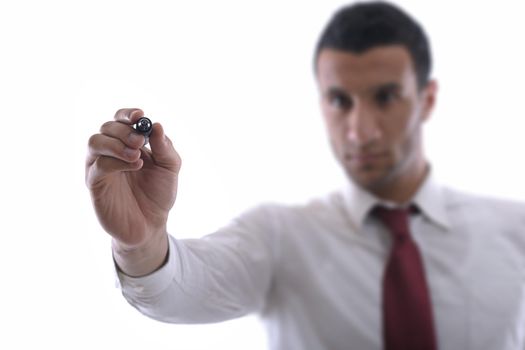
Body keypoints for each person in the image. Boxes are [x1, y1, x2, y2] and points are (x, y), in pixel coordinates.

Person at [85, 2, 525, 350]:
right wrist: (140, 242)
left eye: (386, 97)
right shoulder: (281, 238)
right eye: (339, 100)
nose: (359, 129)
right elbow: (176, 292)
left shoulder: (515, 233)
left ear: (426, 99)